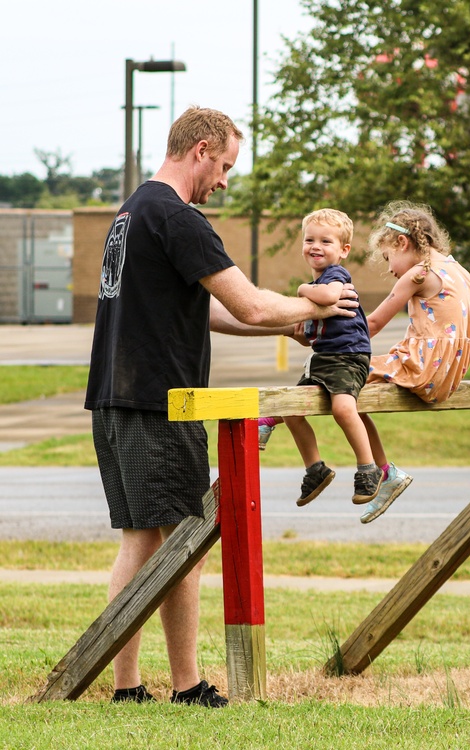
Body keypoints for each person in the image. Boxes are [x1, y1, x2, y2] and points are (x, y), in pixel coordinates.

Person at [85, 106, 357, 707]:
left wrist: (283, 330)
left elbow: (204, 311)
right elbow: (253, 303)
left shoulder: (133, 211)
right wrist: (316, 303)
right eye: (226, 165)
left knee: (141, 540)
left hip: (112, 398)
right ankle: (185, 685)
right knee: (185, 538)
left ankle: (127, 685)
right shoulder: (180, 219)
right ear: (202, 149)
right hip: (162, 403)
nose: (226, 181)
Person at [356, 201, 470, 523]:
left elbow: (371, 325)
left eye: (388, 258)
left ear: (403, 242)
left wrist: (330, 337)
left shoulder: (419, 273)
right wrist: (450, 368)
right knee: (354, 401)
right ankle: (385, 473)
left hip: (420, 366)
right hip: (447, 377)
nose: (390, 270)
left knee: (336, 379)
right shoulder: (461, 273)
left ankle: (274, 419)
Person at [257, 208, 385, 513]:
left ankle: (369, 468)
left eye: (326, 241)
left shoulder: (334, 277)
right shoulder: (319, 288)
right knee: (291, 411)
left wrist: (303, 291)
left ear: (343, 250)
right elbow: (313, 334)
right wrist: (301, 332)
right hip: (324, 359)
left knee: (343, 407)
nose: (315, 246)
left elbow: (328, 297)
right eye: (309, 239)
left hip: (348, 357)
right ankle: (315, 468)